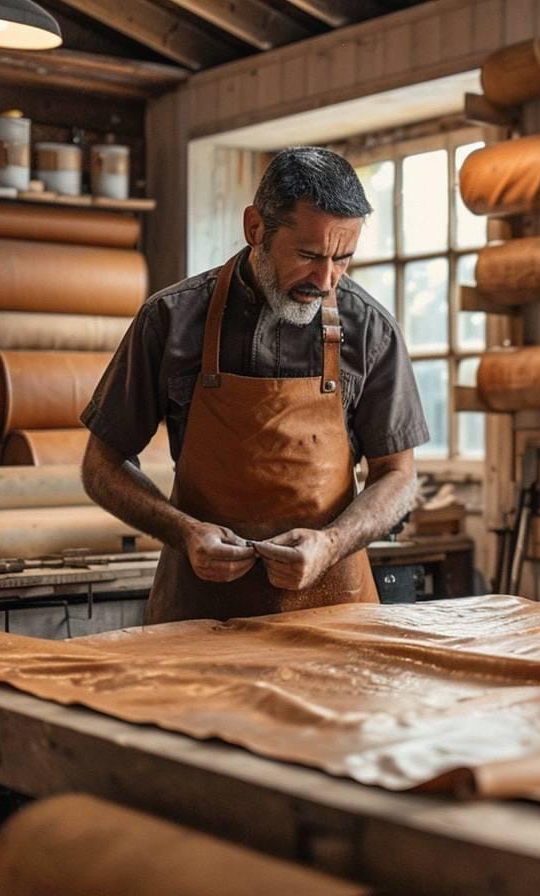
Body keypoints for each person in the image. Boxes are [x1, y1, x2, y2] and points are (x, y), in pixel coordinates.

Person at [80, 147, 426, 624]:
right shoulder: (171, 320)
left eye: (342, 259)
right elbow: (101, 466)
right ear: (255, 228)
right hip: (200, 619)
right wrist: (184, 533)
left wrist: (331, 544)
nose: (326, 280)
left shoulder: (369, 330)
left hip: (335, 615)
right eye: (308, 255)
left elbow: (398, 475)